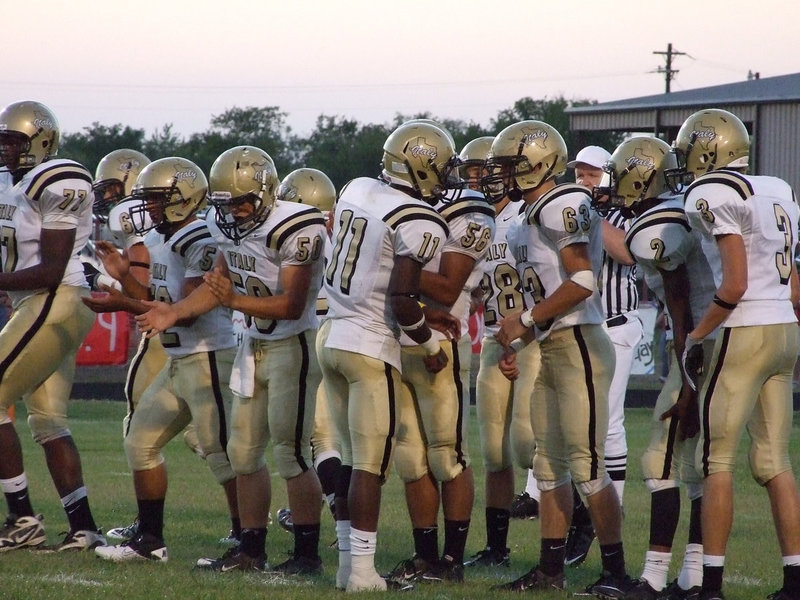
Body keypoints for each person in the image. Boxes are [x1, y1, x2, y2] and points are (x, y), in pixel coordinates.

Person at [135, 147, 328, 575]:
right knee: (242, 454)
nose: (235, 212)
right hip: (252, 347)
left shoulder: (296, 227)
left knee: (292, 454)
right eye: (226, 204)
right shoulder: (224, 228)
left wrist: (235, 300)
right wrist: (175, 311)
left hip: (291, 346)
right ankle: (250, 550)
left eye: (243, 203)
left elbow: (293, 305)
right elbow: (215, 283)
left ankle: (306, 555)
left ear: (266, 194)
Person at [489, 120, 632, 597]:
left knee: (587, 463)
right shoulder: (528, 215)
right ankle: (550, 571)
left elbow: (583, 281)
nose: (504, 174)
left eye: (511, 164)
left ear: (538, 163)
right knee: (546, 463)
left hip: (581, 346)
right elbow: (549, 295)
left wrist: (524, 322)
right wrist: (521, 341)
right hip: (553, 346)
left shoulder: (563, 203)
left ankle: (615, 572)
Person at [318, 121, 455, 591]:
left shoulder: (356, 187)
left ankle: (345, 568)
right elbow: (400, 298)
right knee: (369, 468)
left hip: (331, 334)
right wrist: (431, 346)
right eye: (438, 166)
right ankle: (360, 572)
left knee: (353, 461)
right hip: (370, 344)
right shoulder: (420, 219)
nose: (444, 176)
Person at [91, 156, 239, 563]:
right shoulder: (169, 238)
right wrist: (123, 275)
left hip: (209, 355)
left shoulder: (200, 237)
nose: (150, 209)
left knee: (222, 452)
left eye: (157, 200)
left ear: (182, 198)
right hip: (179, 358)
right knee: (140, 442)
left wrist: (121, 299)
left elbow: (188, 305)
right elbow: (159, 302)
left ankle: (250, 540)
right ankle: (150, 540)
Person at [678, 109, 800, 600]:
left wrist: (694, 335)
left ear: (709, 150)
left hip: (743, 327)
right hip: (785, 329)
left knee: (717, 461)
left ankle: (711, 585)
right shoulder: (779, 188)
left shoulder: (711, 193)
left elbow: (734, 282)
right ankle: (794, 582)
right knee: (775, 460)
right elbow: (795, 285)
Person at [592, 136, 715, 599]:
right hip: (715, 338)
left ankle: (657, 575)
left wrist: (686, 378)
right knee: (702, 463)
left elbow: (682, 303)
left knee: (661, 460)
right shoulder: (678, 207)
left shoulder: (654, 225)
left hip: (703, 344)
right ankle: (695, 575)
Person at [387, 127, 496, 585]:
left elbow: (450, 285)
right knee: (410, 460)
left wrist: (391, 258)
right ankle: (425, 556)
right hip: (396, 339)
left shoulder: (470, 212)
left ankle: (452, 563)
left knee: (447, 456)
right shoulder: (407, 208)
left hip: (441, 343)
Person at [0, 100, 105, 552]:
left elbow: (49, 268)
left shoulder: (59, 178)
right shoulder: (10, 183)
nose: (5, 149)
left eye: (13, 141)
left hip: (55, 297)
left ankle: (22, 518)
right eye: (2, 140)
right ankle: (83, 525)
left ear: (40, 141)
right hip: (38, 301)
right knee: (48, 421)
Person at [459, 135, 540, 569]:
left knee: (528, 445)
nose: (479, 180)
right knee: (493, 452)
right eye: (473, 172)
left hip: (531, 340)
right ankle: (496, 548)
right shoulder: (474, 223)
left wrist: (521, 338)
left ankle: (579, 521)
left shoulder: (526, 217)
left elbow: (541, 285)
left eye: (484, 171)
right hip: (495, 340)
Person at [564, 145, 642, 567]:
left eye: (592, 174)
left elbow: (627, 251)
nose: (584, 180)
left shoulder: (621, 212)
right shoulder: (573, 209)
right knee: (570, 423)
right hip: (580, 327)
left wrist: (591, 210)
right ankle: (577, 508)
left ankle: (610, 510)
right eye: (579, 172)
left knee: (609, 423)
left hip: (615, 325)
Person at [273, 168, 341, 538]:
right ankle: (329, 504)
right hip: (337, 337)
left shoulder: (299, 238)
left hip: (308, 336)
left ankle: (334, 506)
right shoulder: (340, 236)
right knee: (327, 438)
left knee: (313, 439)